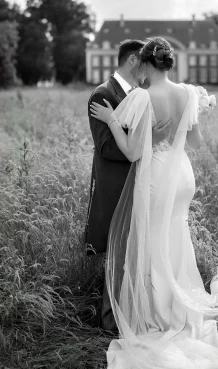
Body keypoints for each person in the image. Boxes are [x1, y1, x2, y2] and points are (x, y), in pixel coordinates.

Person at [90, 37, 218, 369]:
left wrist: (112, 120)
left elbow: (132, 153)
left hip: (157, 177)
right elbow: (195, 143)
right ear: (170, 64)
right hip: (183, 177)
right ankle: (181, 305)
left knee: (153, 239)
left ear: (145, 65)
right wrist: (187, 118)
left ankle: (159, 311)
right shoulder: (188, 94)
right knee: (177, 235)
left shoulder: (143, 97)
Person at [85, 39, 171, 331]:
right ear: (134, 60)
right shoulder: (103, 94)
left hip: (140, 184)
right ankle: (110, 323)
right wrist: (145, 143)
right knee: (116, 253)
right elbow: (107, 148)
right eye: (143, 61)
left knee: (134, 253)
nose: (146, 68)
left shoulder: (141, 94)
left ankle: (133, 313)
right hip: (116, 186)